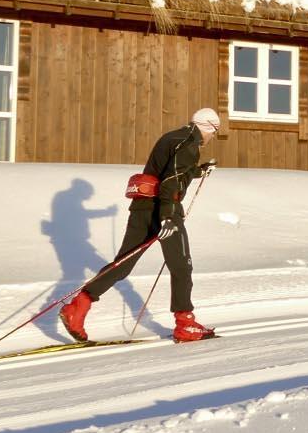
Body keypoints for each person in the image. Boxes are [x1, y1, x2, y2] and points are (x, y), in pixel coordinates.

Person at [61, 108, 222, 343]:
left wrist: (199, 170)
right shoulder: (189, 142)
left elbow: (171, 172)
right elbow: (171, 182)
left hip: (142, 209)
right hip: (164, 208)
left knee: (123, 263)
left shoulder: (174, 137)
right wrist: (167, 216)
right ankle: (185, 323)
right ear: (209, 127)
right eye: (214, 133)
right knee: (181, 266)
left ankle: (77, 307)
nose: (211, 139)